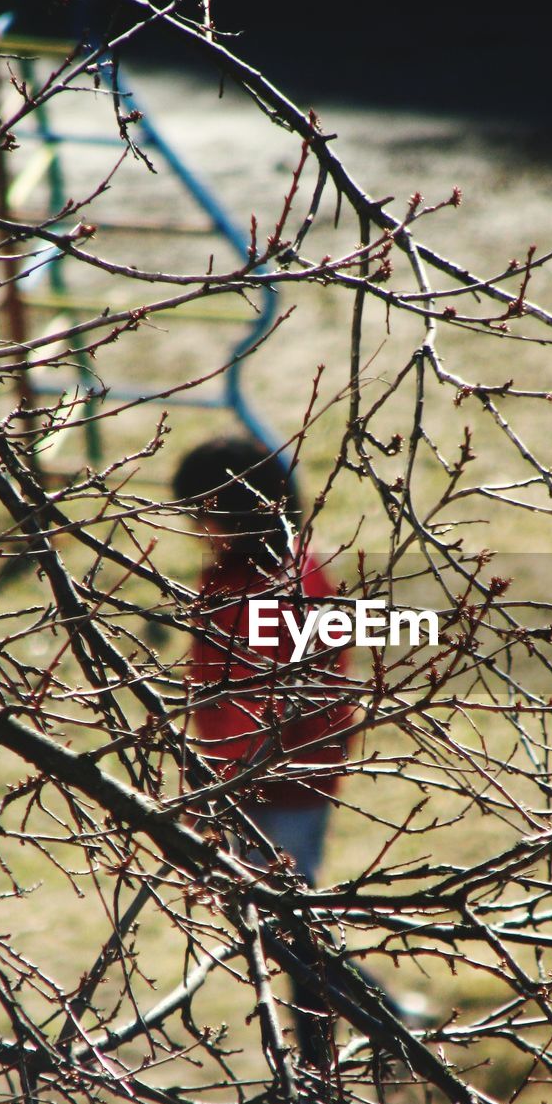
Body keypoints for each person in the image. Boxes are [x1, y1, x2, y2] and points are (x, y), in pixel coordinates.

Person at [173, 435, 355, 1070]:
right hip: (265, 783)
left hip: (276, 788)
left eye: (206, 516)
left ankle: (319, 1088)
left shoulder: (269, 590)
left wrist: (217, 795)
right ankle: (378, 1012)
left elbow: (275, 709)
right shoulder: (251, 576)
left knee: (291, 932)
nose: (198, 531)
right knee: (291, 922)